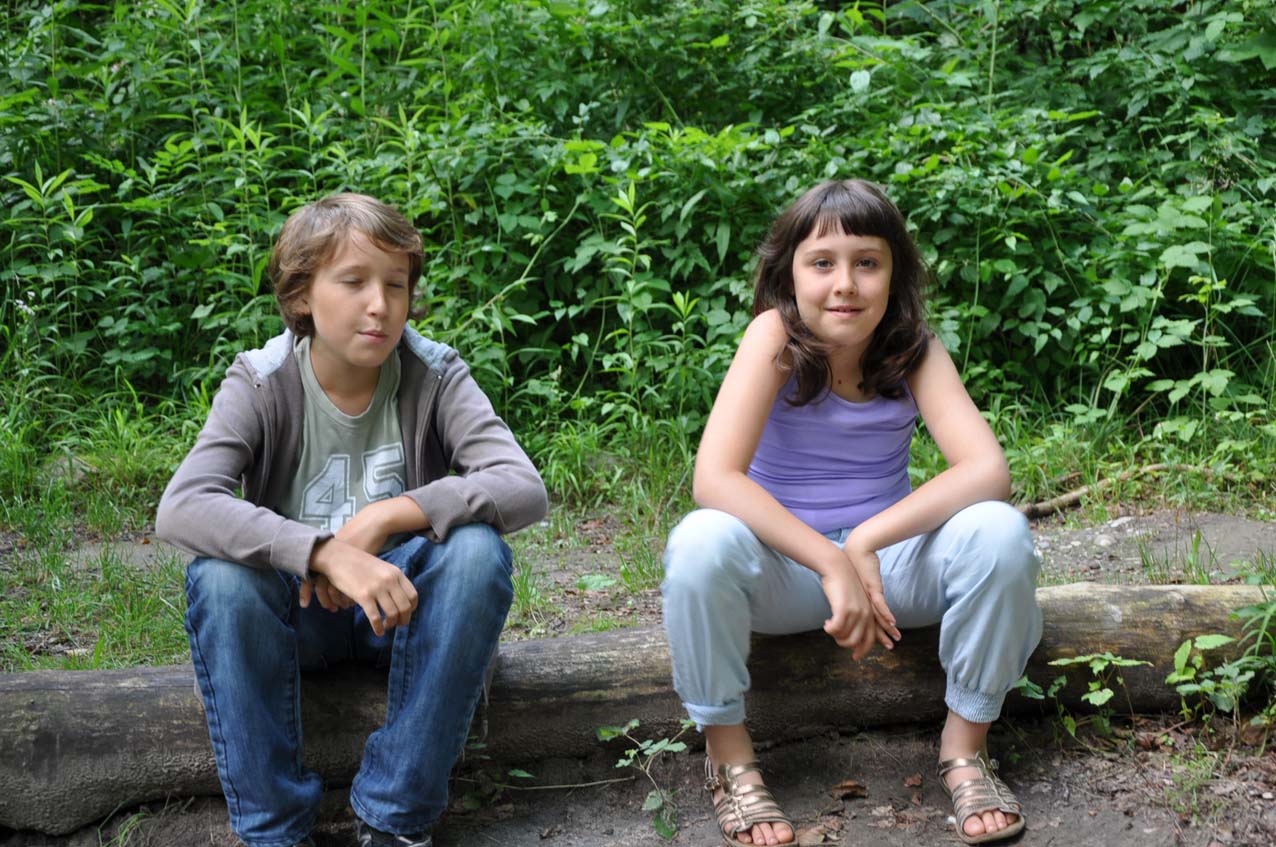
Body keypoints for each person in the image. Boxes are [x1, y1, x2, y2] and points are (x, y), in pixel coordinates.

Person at [156, 193, 548, 847]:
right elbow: (183, 504)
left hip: (402, 609)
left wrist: (388, 514)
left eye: (396, 284)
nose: (380, 305)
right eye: (354, 281)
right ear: (302, 294)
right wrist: (322, 551)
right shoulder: (262, 379)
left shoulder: (435, 372)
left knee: (478, 553)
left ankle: (396, 816)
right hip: (296, 612)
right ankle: (274, 831)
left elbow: (522, 486)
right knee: (221, 580)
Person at [661, 179, 1042, 847]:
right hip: (784, 571)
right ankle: (730, 759)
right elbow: (714, 478)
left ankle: (965, 747)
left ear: (895, 275)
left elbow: (987, 470)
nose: (845, 284)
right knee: (699, 543)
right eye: (822, 262)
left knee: (1001, 531)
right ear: (789, 274)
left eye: (867, 262)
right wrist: (829, 558)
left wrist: (863, 542)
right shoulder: (773, 337)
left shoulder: (912, 347)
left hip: (885, 576)